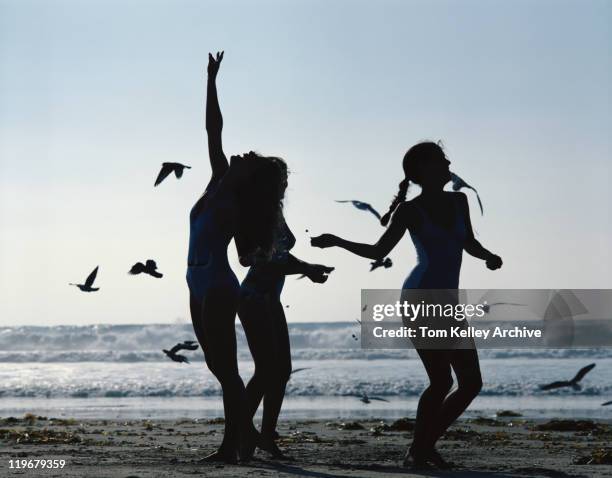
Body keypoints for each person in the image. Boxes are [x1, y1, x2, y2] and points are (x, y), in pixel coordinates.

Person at [311, 141, 502, 469]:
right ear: (421, 171)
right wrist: (337, 241)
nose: (449, 163)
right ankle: (420, 449)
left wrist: (488, 257)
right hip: (420, 297)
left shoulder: (459, 200)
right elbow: (377, 251)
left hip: (448, 302)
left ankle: (422, 447)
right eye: (441, 160)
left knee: (471, 383)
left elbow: (468, 242)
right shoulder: (410, 211)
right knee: (442, 381)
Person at [186, 51, 287, 463]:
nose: (243, 155)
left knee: (226, 370)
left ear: (250, 178)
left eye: (250, 160)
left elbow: (248, 257)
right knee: (217, 366)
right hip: (194, 282)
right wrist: (211, 80)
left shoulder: (236, 204)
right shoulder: (217, 180)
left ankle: (235, 445)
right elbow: (213, 129)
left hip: (218, 286)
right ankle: (242, 440)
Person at [239, 212, 334, 458]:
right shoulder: (257, 214)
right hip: (253, 298)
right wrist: (306, 268)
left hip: (271, 300)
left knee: (281, 371)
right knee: (266, 370)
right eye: (281, 176)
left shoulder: (276, 212)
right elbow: (265, 262)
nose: (285, 183)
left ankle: (266, 437)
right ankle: (242, 433)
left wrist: (306, 268)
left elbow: (282, 256)